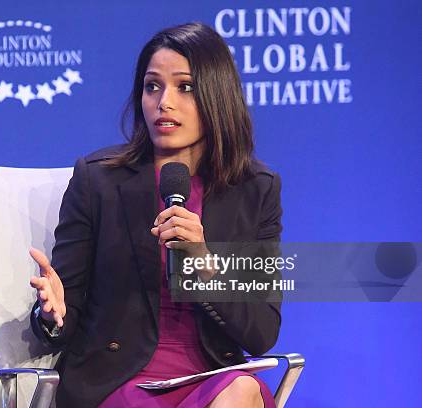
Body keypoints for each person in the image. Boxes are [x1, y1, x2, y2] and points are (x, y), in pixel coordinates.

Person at [29, 22, 282, 408]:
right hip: (119, 381)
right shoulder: (99, 180)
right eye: (152, 86)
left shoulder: (253, 190)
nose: (164, 102)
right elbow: (66, 315)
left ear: (217, 95)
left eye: (185, 87)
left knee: (243, 391)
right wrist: (54, 314)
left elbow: (261, 334)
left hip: (210, 376)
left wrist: (205, 265)